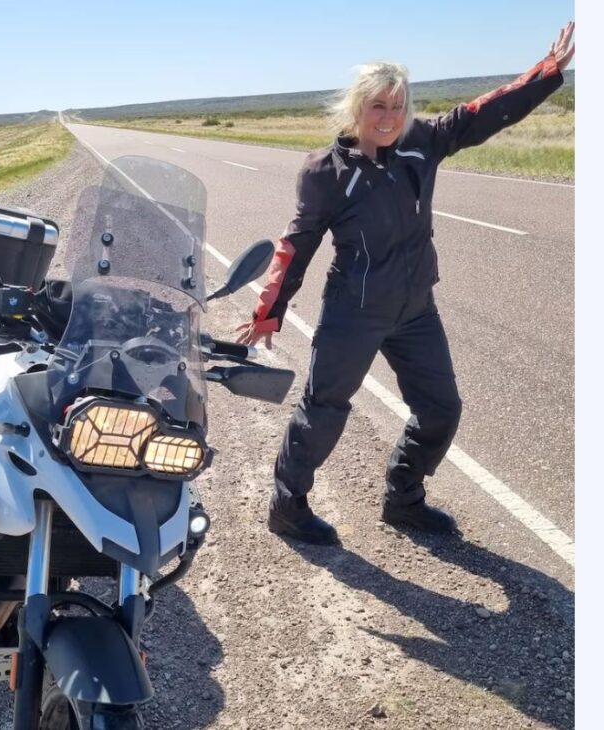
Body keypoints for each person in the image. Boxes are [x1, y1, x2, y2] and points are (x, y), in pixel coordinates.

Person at [236, 23, 575, 546]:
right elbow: (296, 244)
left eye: (398, 106)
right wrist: (269, 310)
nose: (390, 117)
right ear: (357, 109)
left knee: (442, 409)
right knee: (325, 410)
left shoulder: (423, 142)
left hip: (416, 307)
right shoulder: (326, 171)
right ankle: (288, 504)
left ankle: (404, 496)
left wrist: (545, 74)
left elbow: (482, 114)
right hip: (356, 309)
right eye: (378, 106)